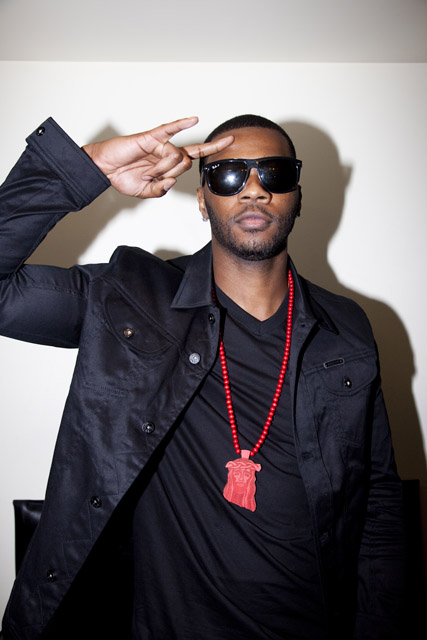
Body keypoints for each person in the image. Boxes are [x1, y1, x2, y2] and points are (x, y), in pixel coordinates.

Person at [0, 114, 404, 640]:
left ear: (298, 196)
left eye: (275, 173)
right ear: (201, 198)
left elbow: (377, 501)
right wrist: (87, 166)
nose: (254, 189)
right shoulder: (134, 299)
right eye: (229, 175)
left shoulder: (346, 328)